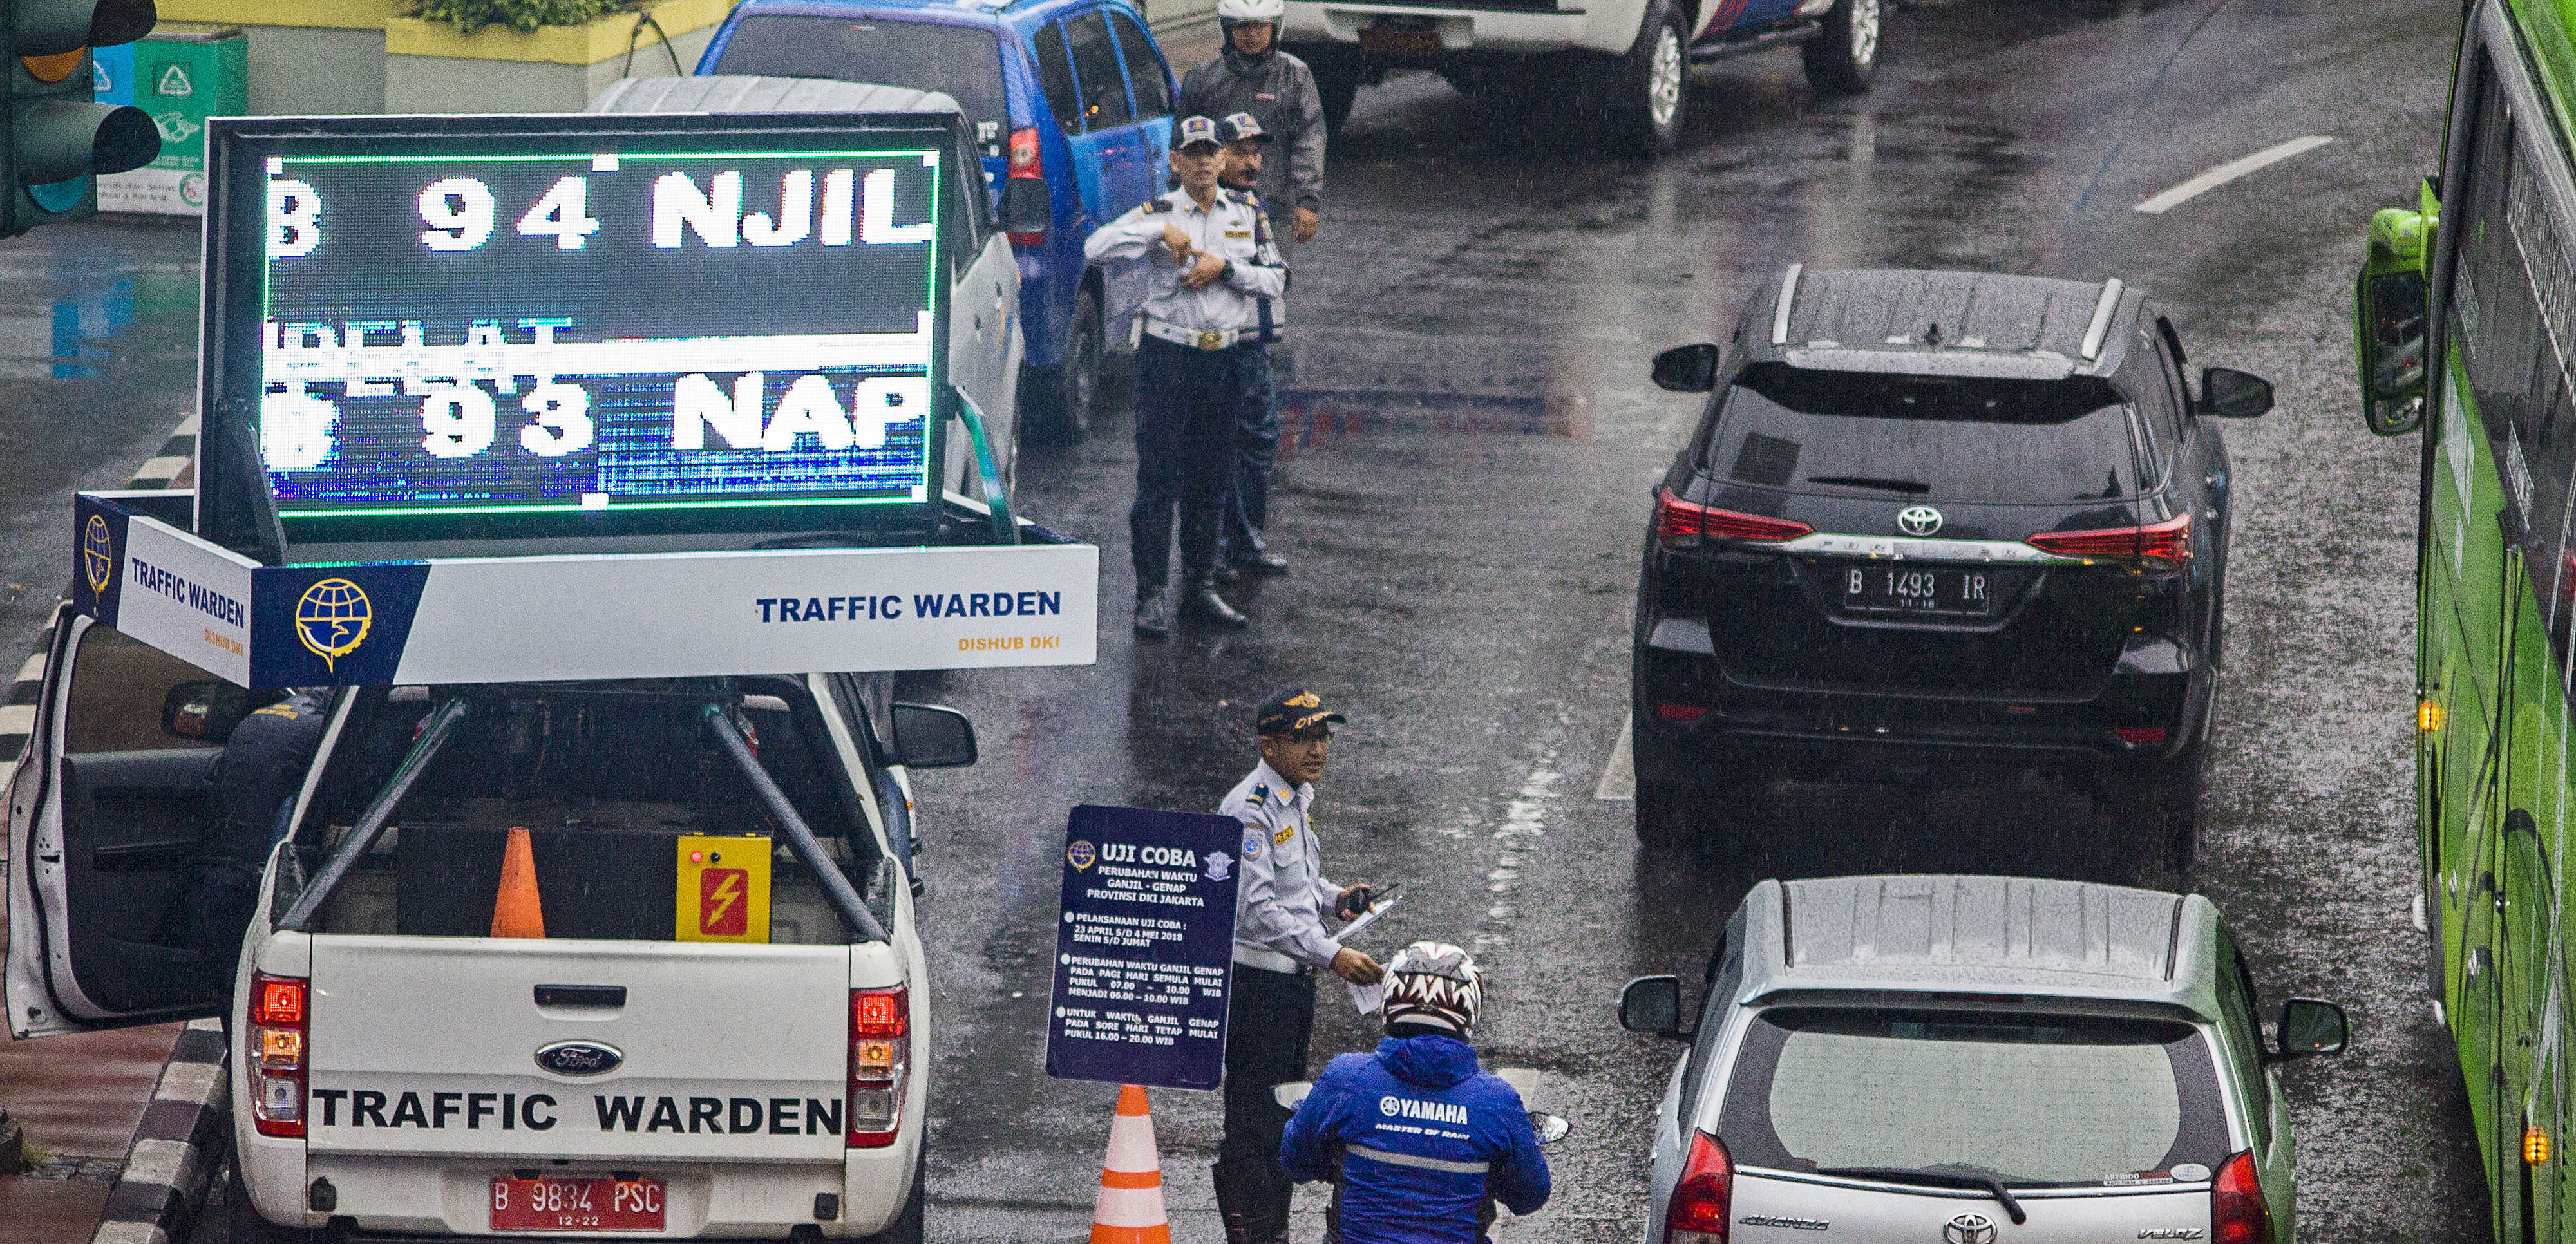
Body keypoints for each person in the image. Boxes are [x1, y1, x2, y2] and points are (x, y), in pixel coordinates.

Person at [1086, 115, 1287, 637]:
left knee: (1212, 477)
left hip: (1222, 359)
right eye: (1191, 152)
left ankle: (1199, 588)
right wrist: (1158, 231)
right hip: (1167, 359)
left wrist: (1225, 269)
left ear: (1224, 159)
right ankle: (1150, 595)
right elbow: (1096, 248)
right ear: (1174, 160)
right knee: (1159, 479)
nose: (1202, 161)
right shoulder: (1158, 212)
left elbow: (1277, 279)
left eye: (1211, 152)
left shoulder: (1245, 212)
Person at [1216, 686, 1384, 1244]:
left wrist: (1338, 899)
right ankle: (1254, 1234)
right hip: (1257, 986)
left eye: (1324, 736)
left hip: (1290, 985)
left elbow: (1298, 887)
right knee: (1255, 1120)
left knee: (1283, 1114)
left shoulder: (1294, 796)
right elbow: (1258, 914)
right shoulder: (1250, 810)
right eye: (1304, 737)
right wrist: (1334, 954)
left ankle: (1273, 1230)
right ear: (1269, 745)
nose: (1319, 749)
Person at [1281, 942, 1551, 1244]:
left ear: (1389, 1004)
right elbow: (1529, 1197)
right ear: (1468, 1012)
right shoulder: (1497, 1101)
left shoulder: (1346, 1077)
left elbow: (1296, 1162)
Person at [180, 688, 330, 1021]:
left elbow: (217, 781)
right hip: (254, 884)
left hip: (211, 880)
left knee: (230, 1003)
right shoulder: (323, 732)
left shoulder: (255, 721)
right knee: (263, 1020)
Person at [1179, 0, 1326, 259]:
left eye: (1261, 26)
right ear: (1228, 29)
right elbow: (1182, 145)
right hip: (1215, 206)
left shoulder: (1295, 76)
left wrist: (1308, 201)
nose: (1253, 35)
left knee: (1272, 284)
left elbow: (1310, 140)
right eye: (1244, 27)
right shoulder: (1202, 79)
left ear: (1276, 28)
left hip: (1274, 209)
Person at [1214, 111, 1292, 580]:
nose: (1252, 161)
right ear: (1218, 156)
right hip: (1227, 347)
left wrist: (1265, 277)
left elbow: (1278, 276)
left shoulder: (1253, 205)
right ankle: (1219, 549)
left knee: (1259, 442)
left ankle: (1247, 541)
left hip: (1255, 347)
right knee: (1223, 446)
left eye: (1257, 152)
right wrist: (1260, 277)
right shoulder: (1213, 209)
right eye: (1242, 152)